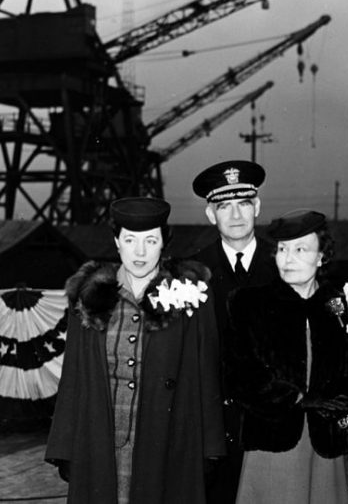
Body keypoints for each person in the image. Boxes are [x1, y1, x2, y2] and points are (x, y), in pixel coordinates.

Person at [45, 197, 225, 503]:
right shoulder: (88, 298)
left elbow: (206, 375)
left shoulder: (189, 298)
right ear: (117, 242)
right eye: (130, 240)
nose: (140, 251)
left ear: (163, 244)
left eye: (150, 240)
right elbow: (72, 377)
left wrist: (210, 447)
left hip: (165, 436)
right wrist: (64, 446)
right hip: (101, 435)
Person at [226, 210, 348, 504]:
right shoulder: (250, 304)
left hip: (325, 447)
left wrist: (344, 417)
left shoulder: (339, 305)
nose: (288, 259)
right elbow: (241, 377)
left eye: (300, 249)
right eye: (282, 249)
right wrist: (298, 400)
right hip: (273, 443)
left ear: (321, 257)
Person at [191, 159, 279, 504]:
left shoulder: (285, 264)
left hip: (273, 422)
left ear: (257, 206)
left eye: (244, 203)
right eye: (224, 206)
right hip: (216, 424)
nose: (236, 215)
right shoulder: (193, 271)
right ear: (210, 214)